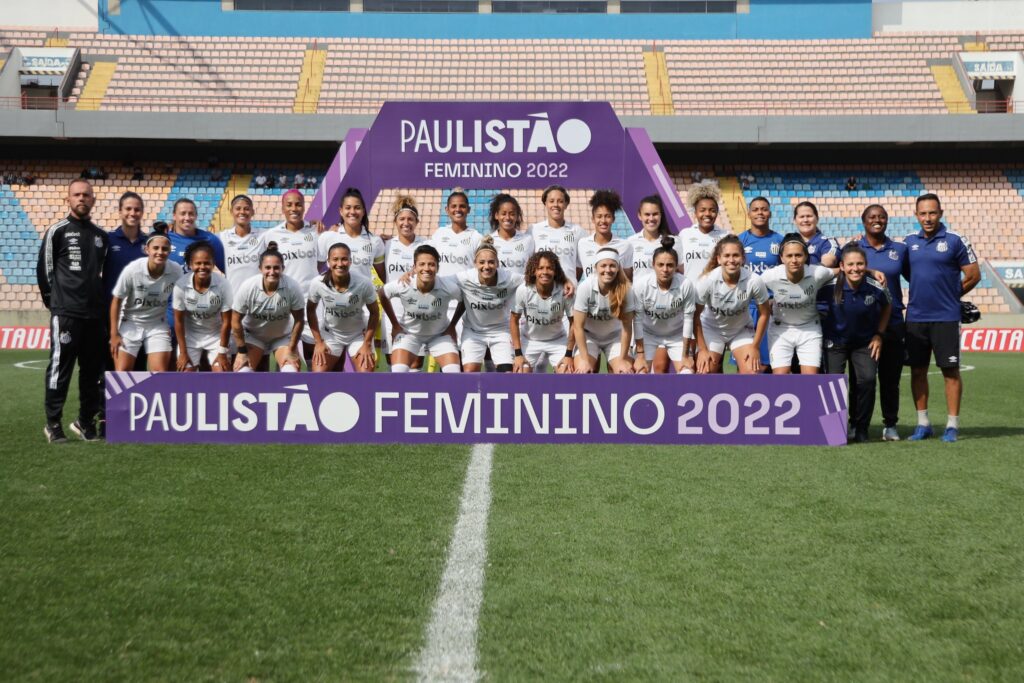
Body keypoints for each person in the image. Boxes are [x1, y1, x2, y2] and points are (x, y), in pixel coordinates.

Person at [36, 179, 109, 443]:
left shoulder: (101, 236)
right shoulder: (58, 230)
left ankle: (85, 422)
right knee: (60, 368)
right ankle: (53, 424)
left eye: (86, 195)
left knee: (91, 372)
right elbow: (45, 270)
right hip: (66, 312)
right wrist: (54, 302)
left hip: (95, 316)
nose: (82, 199)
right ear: (68, 199)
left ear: (93, 199)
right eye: (77, 195)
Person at [904, 193, 981, 442]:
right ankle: (923, 423)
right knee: (917, 371)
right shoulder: (908, 242)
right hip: (915, 317)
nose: (927, 218)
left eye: (932, 213)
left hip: (946, 317)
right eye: (923, 213)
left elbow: (973, 274)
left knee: (950, 371)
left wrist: (951, 294)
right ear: (916, 215)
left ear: (941, 213)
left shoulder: (955, 240)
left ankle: (952, 425)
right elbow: (907, 272)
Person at [818, 243, 892, 443]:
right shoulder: (828, 286)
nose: (855, 268)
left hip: (864, 343)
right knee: (833, 383)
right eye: (850, 264)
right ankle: (834, 429)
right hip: (835, 343)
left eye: (860, 264)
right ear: (841, 266)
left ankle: (860, 427)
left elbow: (888, 306)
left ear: (865, 265)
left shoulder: (876, 286)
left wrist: (879, 334)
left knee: (867, 381)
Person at [856, 204, 909, 441]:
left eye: (881, 217)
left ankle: (890, 424)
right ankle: (856, 424)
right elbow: (842, 270)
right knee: (861, 380)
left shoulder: (899, 249)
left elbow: (914, 277)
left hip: (894, 322)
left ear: (887, 220)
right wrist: (868, 269)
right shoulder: (854, 248)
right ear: (864, 221)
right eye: (872, 217)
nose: (877, 220)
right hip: (863, 323)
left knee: (890, 379)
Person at [759, 234, 836, 375]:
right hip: (780, 329)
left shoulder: (817, 273)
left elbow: (843, 271)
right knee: (779, 378)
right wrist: (767, 301)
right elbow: (751, 285)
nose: (794, 260)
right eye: (789, 256)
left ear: (806, 256)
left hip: (810, 329)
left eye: (798, 255)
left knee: (810, 379)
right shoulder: (771, 276)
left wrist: (871, 271)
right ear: (782, 258)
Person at [378, 244, 463, 373]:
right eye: (422, 264)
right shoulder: (404, 284)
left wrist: (452, 326)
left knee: (453, 371)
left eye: (431, 264)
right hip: (409, 334)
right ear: (414, 267)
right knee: (398, 371)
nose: (426, 268)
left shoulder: (448, 287)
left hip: (439, 335)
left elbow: (463, 301)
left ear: (438, 267)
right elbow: (382, 293)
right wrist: (395, 325)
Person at [693, 235, 771, 374]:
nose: (731, 260)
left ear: (743, 258)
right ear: (719, 259)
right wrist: (703, 350)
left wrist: (755, 346)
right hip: (712, 329)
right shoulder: (707, 280)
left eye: (736, 255)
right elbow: (695, 315)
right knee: (705, 370)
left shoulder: (754, 280)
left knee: (752, 372)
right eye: (726, 255)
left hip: (741, 330)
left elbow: (765, 313)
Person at [262, 190, 320, 364]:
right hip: (283, 302)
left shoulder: (316, 232)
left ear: (304, 207)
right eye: (289, 204)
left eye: (298, 204)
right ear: (283, 208)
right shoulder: (270, 236)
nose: (294, 208)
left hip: (311, 302)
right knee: (285, 354)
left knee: (313, 356)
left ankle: (315, 388)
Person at [109, 227, 178, 372]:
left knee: (160, 373)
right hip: (130, 322)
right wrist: (114, 334)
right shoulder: (133, 270)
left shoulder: (176, 270)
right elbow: (116, 301)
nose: (160, 252)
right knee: (122, 374)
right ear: (147, 249)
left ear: (169, 251)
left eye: (165, 249)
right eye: (156, 248)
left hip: (157, 325)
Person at [231, 243, 305, 372]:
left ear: (283, 268)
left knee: (290, 371)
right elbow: (235, 319)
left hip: (281, 338)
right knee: (243, 372)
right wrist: (242, 351)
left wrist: (292, 349)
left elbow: (299, 319)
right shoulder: (248, 286)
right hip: (254, 337)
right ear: (260, 268)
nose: (272, 272)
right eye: (268, 267)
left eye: (276, 268)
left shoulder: (292, 287)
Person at [306, 242, 379, 373]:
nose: (340, 264)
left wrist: (367, 343)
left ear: (350, 261)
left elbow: (374, 312)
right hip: (331, 335)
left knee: (366, 374)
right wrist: (318, 342)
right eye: (335, 259)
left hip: (358, 336)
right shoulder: (317, 283)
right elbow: (310, 310)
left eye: (344, 259)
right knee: (317, 375)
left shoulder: (363, 283)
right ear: (328, 261)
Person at [456, 236, 525, 372]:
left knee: (507, 374)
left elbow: (534, 280)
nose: (486, 266)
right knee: (470, 372)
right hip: (473, 332)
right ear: (475, 263)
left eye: (491, 262)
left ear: (498, 263)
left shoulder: (510, 278)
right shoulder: (465, 278)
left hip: (501, 331)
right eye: (482, 262)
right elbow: (438, 280)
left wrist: (563, 281)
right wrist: (413, 274)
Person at [631, 237, 697, 374]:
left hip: (676, 335)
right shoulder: (641, 285)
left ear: (676, 266)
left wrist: (685, 356)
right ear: (652, 265)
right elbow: (636, 321)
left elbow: (689, 320)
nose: (665, 269)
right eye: (660, 265)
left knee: (687, 373)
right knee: (640, 373)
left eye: (670, 265)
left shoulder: (686, 285)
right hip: (648, 334)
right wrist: (641, 355)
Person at [510, 250, 575, 374]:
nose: (545, 272)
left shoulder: (565, 291)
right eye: (540, 268)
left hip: (557, 340)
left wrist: (568, 354)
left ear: (555, 271)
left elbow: (574, 323)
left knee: (567, 373)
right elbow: (513, 320)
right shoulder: (524, 290)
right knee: (520, 373)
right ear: (534, 271)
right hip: (530, 340)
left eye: (549, 268)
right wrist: (518, 354)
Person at [738, 196, 784, 370]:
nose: (760, 213)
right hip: (746, 308)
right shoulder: (740, 240)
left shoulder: (779, 241)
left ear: (770, 213)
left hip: (770, 308)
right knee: (746, 365)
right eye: (755, 209)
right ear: (749, 213)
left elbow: (786, 275)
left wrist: (777, 298)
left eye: (764, 209)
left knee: (767, 365)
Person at [572, 247, 635, 374]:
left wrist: (622, 359)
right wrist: (584, 359)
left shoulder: (626, 289)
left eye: (612, 266)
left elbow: (627, 327)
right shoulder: (585, 287)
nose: (608, 270)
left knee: (624, 372)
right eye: (603, 266)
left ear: (618, 268)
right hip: (589, 337)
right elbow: (578, 327)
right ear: (596, 268)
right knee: (583, 372)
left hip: (615, 337)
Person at [172, 241, 233, 372]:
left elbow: (227, 322)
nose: (202, 267)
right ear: (190, 264)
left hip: (216, 336)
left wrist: (222, 352)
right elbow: (178, 321)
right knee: (185, 374)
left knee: (222, 373)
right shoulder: (181, 285)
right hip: (190, 337)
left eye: (207, 263)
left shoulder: (223, 285)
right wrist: (183, 353)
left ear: (212, 264)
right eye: (198, 263)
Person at [383, 195, 427, 366]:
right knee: (393, 363)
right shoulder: (386, 245)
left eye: (410, 219)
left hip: (419, 313)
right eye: (402, 219)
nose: (406, 223)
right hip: (392, 312)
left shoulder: (426, 244)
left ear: (417, 221)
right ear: (395, 221)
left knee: (416, 364)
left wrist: (413, 270)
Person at [317, 188, 385, 282]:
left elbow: (384, 278)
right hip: (334, 296)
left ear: (363, 211)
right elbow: (315, 271)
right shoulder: (327, 237)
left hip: (363, 296)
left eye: (357, 208)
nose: (352, 212)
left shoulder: (375, 241)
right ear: (341, 211)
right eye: (348, 208)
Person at [529, 185, 588, 284]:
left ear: (566, 204)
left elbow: (580, 266)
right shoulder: (533, 230)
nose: (555, 205)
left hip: (568, 293)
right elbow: (530, 264)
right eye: (551, 201)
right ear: (545, 203)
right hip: (541, 292)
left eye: (560, 201)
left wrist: (568, 282)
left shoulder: (578, 232)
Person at [577, 190, 633, 282]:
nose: (603, 220)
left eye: (607, 216)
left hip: (615, 296)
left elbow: (628, 282)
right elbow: (576, 278)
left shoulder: (625, 246)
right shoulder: (582, 244)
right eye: (599, 216)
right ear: (593, 219)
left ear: (613, 219)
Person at [166, 197, 226, 275]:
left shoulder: (210, 239)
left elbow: (228, 270)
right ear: (174, 216)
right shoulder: (164, 239)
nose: (187, 218)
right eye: (183, 213)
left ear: (196, 216)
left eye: (191, 214)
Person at [220, 194, 265, 293]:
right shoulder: (222, 237)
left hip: (259, 298)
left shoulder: (264, 235)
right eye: (238, 208)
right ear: (231, 212)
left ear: (253, 212)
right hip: (233, 299)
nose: (242, 212)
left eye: (246, 209)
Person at [489, 193, 535, 276]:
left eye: (512, 214)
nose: (507, 217)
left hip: (522, 288)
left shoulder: (528, 240)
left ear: (517, 216)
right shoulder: (489, 241)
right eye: (503, 213)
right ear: (496, 215)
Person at [627, 194, 672, 277]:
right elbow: (627, 277)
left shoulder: (673, 242)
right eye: (647, 214)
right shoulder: (630, 243)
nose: (651, 219)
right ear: (639, 216)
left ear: (661, 215)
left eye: (655, 214)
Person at [792, 201, 840, 268]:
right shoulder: (788, 242)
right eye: (801, 217)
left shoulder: (827, 242)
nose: (805, 220)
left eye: (809, 216)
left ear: (817, 219)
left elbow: (828, 262)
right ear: (794, 220)